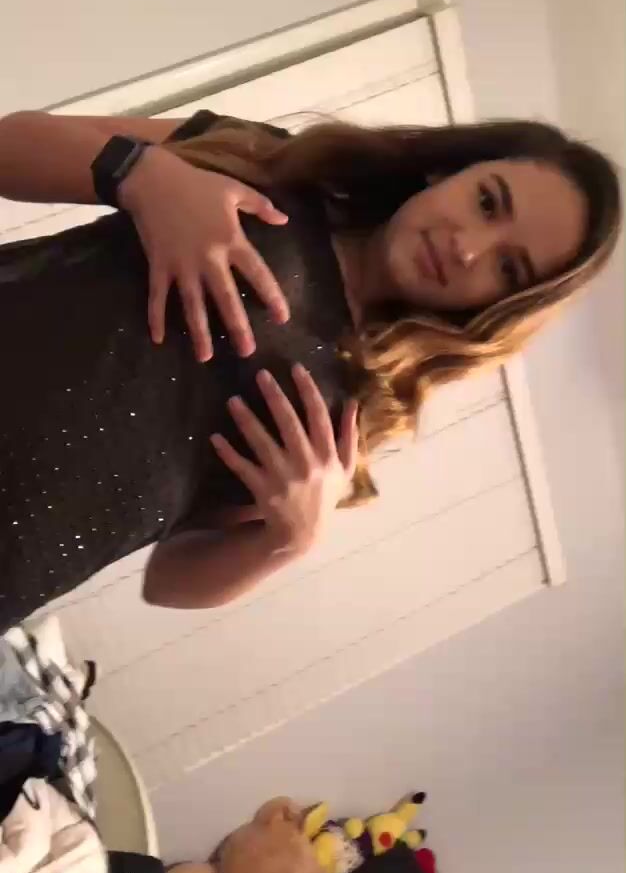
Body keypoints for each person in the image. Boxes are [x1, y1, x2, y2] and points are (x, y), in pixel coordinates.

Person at [0, 107, 620, 630]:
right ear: (451, 169)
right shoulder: (272, 164)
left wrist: (290, 539)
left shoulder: (357, 409)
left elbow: (170, 582)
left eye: (508, 268)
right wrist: (144, 174)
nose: (467, 248)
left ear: (498, 308)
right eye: (487, 201)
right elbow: (10, 143)